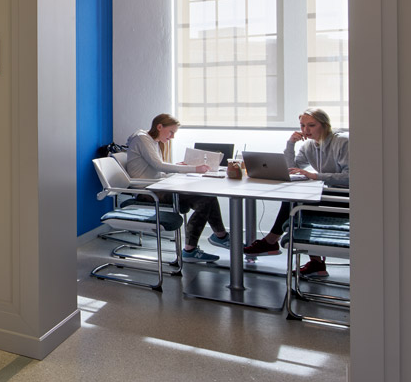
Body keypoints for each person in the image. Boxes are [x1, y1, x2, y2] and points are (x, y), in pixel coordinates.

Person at [243, 108, 350, 278]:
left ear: (325, 125)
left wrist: (315, 176)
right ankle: (313, 262)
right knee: (294, 200)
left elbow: (350, 177)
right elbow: (290, 169)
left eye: (311, 125)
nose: (306, 130)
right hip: (330, 194)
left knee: (296, 203)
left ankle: (271, 242)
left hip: (346, 197)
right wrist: (290, 144)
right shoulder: (309, 146)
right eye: (302, 126)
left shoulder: (342, 142)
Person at [125, 113, 231, 262]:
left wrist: (179, 167)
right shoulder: (142, 139)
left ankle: (218, 237)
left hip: (157, 186)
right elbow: (159, 166)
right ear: (159, 127)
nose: (172, 137)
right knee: (205, 200)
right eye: (171, 132)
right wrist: (195, 169)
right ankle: (197, 246)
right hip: (148, 192)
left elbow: (156, 170)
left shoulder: (152, 141)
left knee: (208, 198)